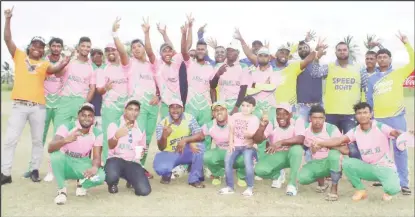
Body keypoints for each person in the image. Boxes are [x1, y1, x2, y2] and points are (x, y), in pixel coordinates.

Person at [1, 6, 70, 185]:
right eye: (35, 45)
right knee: (10, 140)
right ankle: (5, 173)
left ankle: (34, 170)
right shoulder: (19, 55)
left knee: (37, 141)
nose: (37, 48)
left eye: (41, 46)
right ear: (30, 47)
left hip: (38, 107)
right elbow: (7, 38)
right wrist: (8, 19)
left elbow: (55, 69)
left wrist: (64, 62)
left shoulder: (45, 64)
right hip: (19, 106)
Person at [314, 102, 404, 201]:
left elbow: (394, 133)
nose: (362, 115)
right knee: (346, 163)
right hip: (368, 168)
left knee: (393, 189)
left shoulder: (379, 126)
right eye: (359, 113)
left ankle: (388, 190)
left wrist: (404, 134)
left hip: (385, 167)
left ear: (371, 114)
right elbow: (339, 140)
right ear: (356, 116)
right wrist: (321, 143)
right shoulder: (355, 131)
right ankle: (360, 190)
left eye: (365, 112)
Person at [366, 32, 414, 195]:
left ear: (390, 59)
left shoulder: (398, 73)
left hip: (396, 117)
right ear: (377, 60)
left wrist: (407, 43)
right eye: (380, 57)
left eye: (385, 57)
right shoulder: (372, 79)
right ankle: (386, 177)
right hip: (379, 119)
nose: (382, 59)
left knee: (400, 149)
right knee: (381, 152)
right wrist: (370, 117)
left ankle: (403, 183)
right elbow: (369, 100)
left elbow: (413, 62)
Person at [119, 18, 161, 179]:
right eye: (133, 47)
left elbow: (157, 82)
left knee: (148, 137)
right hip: (138, 107)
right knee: (139, 136)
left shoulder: (152, 64)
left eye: (139, 46)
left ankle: (140, 165)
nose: (136, 49)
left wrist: (158, 95)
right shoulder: (130, 63)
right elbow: (122, 52)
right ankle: (134, 168)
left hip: (152, 106)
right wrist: (146, 33)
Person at [311, 40, 366, 160]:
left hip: (350, 114)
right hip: (331, 113)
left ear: (348, 52)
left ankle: (355, 171)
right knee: (330, 144)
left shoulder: (359, 68)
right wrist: (316, 58)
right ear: (335, 52)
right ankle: (333, 172)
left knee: (352, 145)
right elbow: (314, 74)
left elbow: (364, 88)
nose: (342, 52)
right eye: (339, 50)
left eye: (344, 50)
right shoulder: (329, 67)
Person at [23, 37, 66, 181]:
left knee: (58, 138)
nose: (56, 48)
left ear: (61, 48)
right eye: (53, 46)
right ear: (50, 47)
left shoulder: (65, 62)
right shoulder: (43, 61)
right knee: (39, 138)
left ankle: (55, 169)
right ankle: (32, 168)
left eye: (58, 46)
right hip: (43, 104)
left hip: (60, 104)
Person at [48, 103, 105, 205]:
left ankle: (83, 184)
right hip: (66, 161)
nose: (86, 118)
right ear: (78, 116)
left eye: (90, 115)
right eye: (83, 115)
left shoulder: (97, 133)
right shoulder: (67, 126)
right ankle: (62, 191)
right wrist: (66, 140)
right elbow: (50, 148)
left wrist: (95, 167)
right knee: (55, 155)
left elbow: (96, 156)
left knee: (101, 176)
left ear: (93, 118)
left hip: (82, 162)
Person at [143, 16, 193, 119]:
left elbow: (185, 48)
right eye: (164, 51)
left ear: (172, 52)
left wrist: (184, 33)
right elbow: (149, 52)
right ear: (160, 53)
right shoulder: (157, 65)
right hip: (166, 104)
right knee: (166, 131)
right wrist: (146, 33)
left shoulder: (177, 61)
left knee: (181, 132)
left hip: (179, 103)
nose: (167, 53)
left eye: (169, 50)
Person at [298, 105, 349, 201]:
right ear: (310, 118)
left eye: (321, 118)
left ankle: (334, 189)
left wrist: (324, 144)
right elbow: (309, 150)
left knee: (334, 155)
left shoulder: (331, 129)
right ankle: (322, 184)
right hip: (317, 162)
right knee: (302, 178)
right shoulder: (305, 130)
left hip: (331, 161)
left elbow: (345, 150)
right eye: (315, 118)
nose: (318, 121)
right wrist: (314, 149)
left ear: (325, 118)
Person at [252, 103, 305, 196]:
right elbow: (257, 140)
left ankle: (292, 184)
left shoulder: (297, 120)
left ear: (290, 115)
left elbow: (300, 139)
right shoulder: (272, 122)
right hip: (278, 154)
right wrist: (261, 127)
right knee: (259, 170)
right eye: (278, 114)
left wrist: (280, 143)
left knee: (297, 148)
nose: (281, 117)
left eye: (285, 114)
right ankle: (278, 175)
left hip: (292, 154)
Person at [153, 98, 205, 188]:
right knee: (160, 168)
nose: (175, 110)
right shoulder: (162, 124)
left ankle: (194, 179)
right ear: (168, 109)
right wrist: (164, 136)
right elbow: (161, 148)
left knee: (199, 147)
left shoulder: (189, 118)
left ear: (183, 109)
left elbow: (201, 136)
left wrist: (185, 140)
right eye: (172, 107)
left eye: (178, 107)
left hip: (184, 151)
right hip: (170, 153)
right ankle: (167, 173)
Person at [105, 99, 152, 196]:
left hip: (132, 162)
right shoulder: (114, 124)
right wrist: (116, 136)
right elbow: (110, 145)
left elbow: (141, 150)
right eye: (130, 109)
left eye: (136, 110)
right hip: (116, 159)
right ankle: (112, 183)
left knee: (144, 191)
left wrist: (141, 153)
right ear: (125, 110)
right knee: (111, 175)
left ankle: (131, 179)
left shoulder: (140, 128)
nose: (133, 112)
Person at [53, 36, 96, 131]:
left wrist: (85, 104)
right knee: (59, 132)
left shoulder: (91, 67)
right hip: (65, 100)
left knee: (78, 133)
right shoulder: (70, 62)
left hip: (80, 102)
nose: (85, 48)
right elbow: (57, 74)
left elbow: (92, 88)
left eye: (88, 47)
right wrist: (64, 62)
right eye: (83, 46)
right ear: (78, 47)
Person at [219, 96, 259, 197]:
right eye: (243, 105)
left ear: (253, 108)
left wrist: (249, 135)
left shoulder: (254, 119)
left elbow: (253, 136)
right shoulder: (235, 116)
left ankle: (250, 188)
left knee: (248, 163)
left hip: (248, 146)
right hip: (236, 145)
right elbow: (231, 131)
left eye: (248, 106)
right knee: (227, 160)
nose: (245, 108)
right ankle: (230, 187)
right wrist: (231, 143)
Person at [203, 101, 247, 186]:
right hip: (221, 151)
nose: (219, 112)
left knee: (247, 155)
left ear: (227, 111)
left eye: (222, 109)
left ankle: (241, 176)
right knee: (207, 156)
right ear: (213, 114)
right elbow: (199, 134)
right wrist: (189, 142)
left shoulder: (236, 121)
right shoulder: (210, 125)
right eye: (216, 110)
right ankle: (218, 174)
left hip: (236, 151)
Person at [185, 40, 216, 150]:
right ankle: (185, 164)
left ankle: (203, 163)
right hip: (190, 105)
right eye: (198, 49)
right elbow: (183, 50)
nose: (200, 51)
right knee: (188, 133)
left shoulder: (211, 67)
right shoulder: (189, 64)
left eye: (203, 49)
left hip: (205, 107)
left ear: (206, 51)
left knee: (206, 135)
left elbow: (213, 89)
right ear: (196, 50)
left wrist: (213, 107)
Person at [209, 41, 251, 115]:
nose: (229, 52)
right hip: (221, 104)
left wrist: (236, 107)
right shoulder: (219, 66)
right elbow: (212, 86)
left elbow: (243, 89)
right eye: (228, 50)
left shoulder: (243, 66)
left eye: (232, 50)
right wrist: (218, 74)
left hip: (236, 104)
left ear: (237, 53)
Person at [90, 48, 106, 129]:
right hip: (91, 95)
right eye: (94, 54)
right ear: (91, 57)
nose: (97, 56)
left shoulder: (106, 67)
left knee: (101, 119)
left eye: (99, 54)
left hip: (104, 95)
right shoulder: (89, 67)